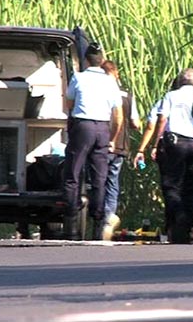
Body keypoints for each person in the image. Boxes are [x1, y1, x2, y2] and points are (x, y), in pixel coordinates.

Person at [63, 42, 123, 240]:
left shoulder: (78, 78)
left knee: (73, 173)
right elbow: (118, 116)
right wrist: (112, 138)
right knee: (100, 178)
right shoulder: (110, 82)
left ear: (86, 60)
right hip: (103, 128)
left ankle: (71, 221)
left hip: (83, 126)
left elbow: (68, 104)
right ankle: (97, 223)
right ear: (102, 61)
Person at [153, 68, 193, 244]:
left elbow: (162, 119)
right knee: (192, 186)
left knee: (172, 185)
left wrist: (156, 143)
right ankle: (186, 226)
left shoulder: (171, 96)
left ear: (179, 81)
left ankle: (177, 219)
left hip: (176, 143)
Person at [101, 60, 140, 240]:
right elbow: (135, 122)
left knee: (98, 180)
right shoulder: (127, 95)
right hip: (120, 146)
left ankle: (100, 216)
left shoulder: (98, 91)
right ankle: (109, 216)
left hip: (101, 143)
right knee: (113, 181)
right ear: (116, 74)